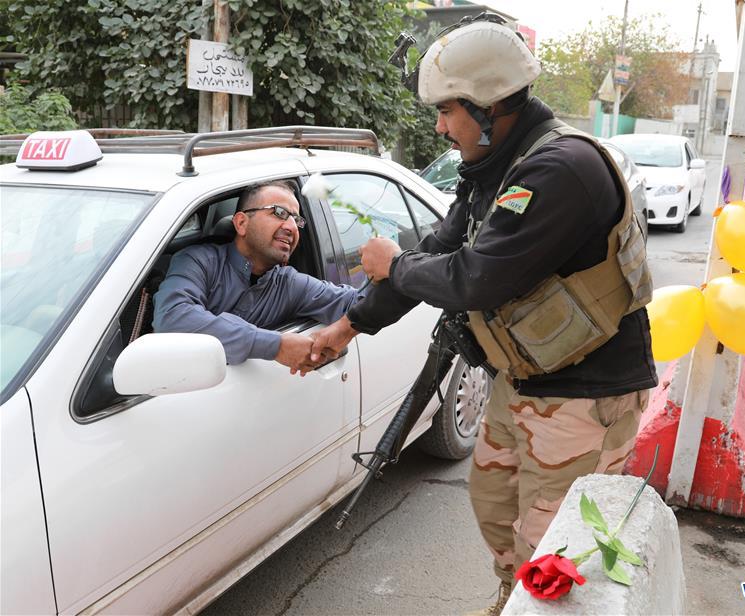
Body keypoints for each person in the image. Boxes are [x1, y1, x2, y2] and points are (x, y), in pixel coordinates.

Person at [310, 14, 657, 614]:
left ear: (492, 106)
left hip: (584, 396)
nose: (442, 128)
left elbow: (476, 277)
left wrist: (392, 266)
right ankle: (514, 599)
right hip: (520, 382)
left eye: (448, 111)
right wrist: (348, 327)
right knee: (495, 506)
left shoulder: (559, 169)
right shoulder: (497, 169)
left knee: (562, 554)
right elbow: (442, 250)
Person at [153, 179, 360, 375]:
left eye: (296, 220)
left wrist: (391, 268)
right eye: (279, 212)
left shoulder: (290, 284)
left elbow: (357, 303)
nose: (291, 227)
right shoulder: (198, 261)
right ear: (241, 223)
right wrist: (275, 346)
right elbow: (172, 318)